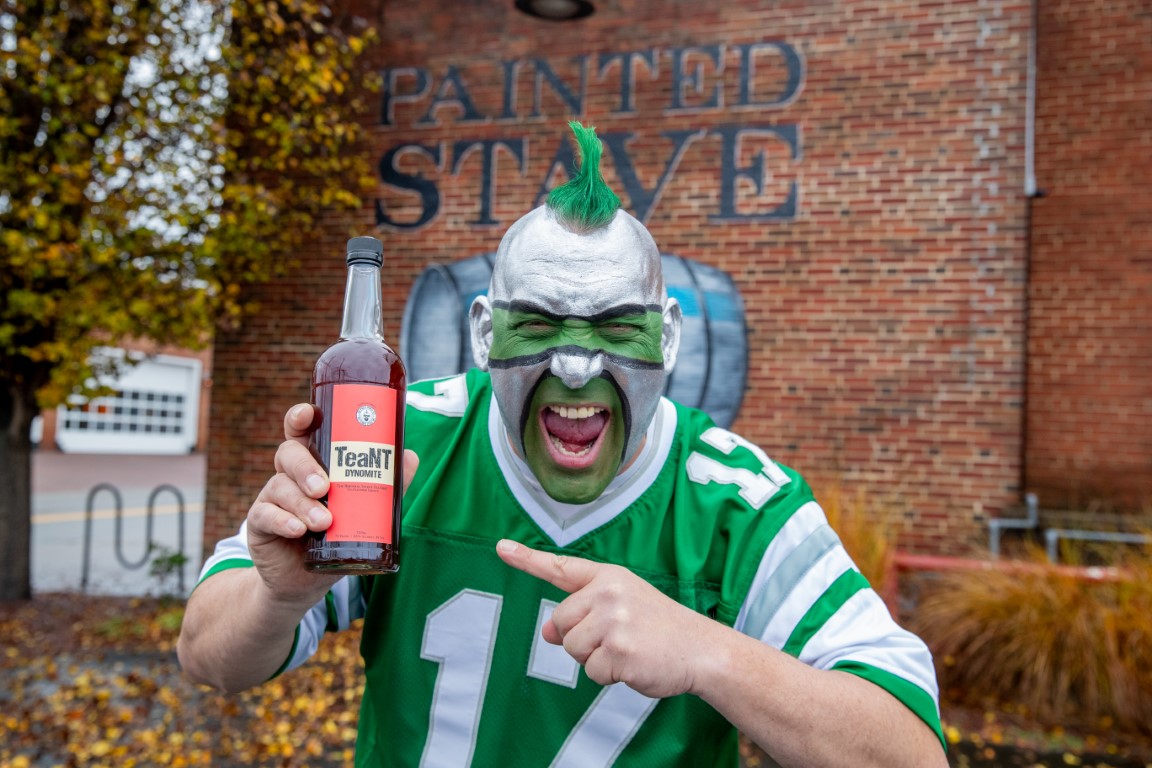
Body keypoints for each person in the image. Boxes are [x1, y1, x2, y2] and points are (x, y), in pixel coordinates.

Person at [178, 122, 948, 768]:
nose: (576, 368)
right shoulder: (400, 444)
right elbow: (207, 658)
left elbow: (913, 753)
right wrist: (279, 594)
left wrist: (711, 651)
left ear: (670, 338)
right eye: (538, 326)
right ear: (483, 333)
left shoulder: (736, 506)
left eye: (618, 327)